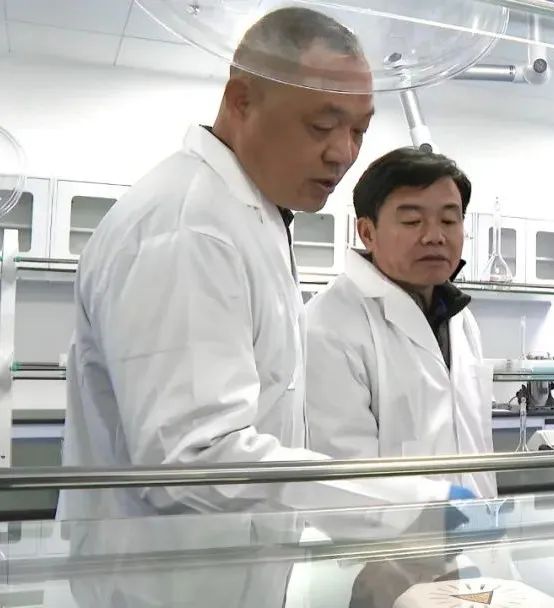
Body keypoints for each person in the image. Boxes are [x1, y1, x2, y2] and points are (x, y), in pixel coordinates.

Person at [58, 8, 473, 607]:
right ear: (242, 100)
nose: (343, 153)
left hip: (225, 580)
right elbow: (195, 455)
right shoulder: (190, 226)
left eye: (359, 130)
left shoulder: (251, 215)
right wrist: (407, 506)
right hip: (167, 589)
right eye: (322, 125)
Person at [304, 147, 495, 498]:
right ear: (367, 232)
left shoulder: (461, 319)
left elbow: (475, 441)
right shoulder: (329, 324)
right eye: (411, 221)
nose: (435, 236)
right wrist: (435, 510)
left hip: (476, 525)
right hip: (389, 531)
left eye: (449, 220)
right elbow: (342, 475)